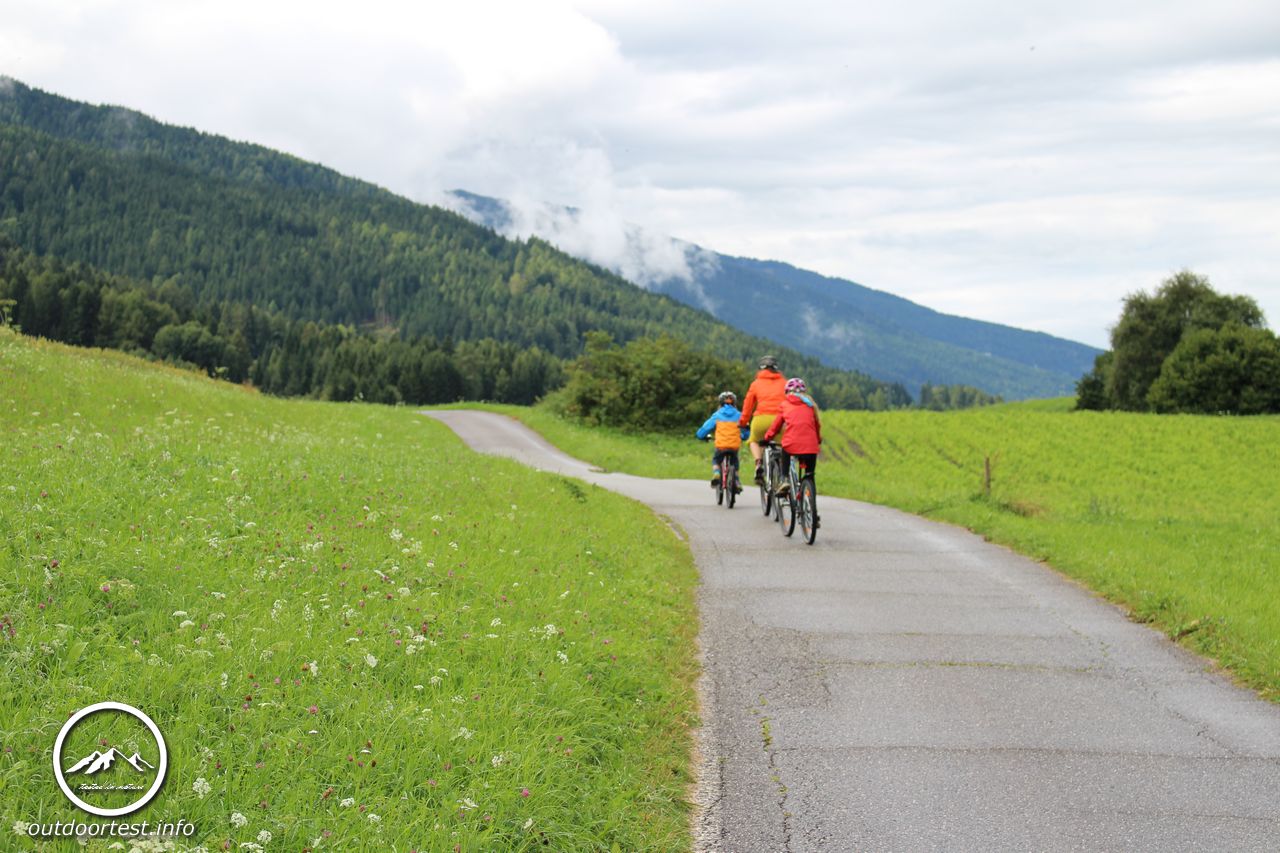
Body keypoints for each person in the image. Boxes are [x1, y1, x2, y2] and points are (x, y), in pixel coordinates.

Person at [763, 378, 821, 509]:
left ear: (787, 392)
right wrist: (818, 440)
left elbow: (776, 425)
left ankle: (784, 479)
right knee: (810, 476)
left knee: (785, 450)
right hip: (811, 447)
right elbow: (817, 426)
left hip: (791, 445)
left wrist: (767, 437)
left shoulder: (785, 405)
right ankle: (813, 509)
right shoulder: (811, 406)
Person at [738, 355, 787, 484]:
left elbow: (748, 406)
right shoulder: (784, 383)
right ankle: (784, 475)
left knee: (753, 440)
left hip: (761, 420)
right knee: (783, 445)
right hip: (780, 420)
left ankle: (758, 463)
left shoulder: (755, 384)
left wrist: (743, 422)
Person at [696, 391, 749, 491]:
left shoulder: (717, 415)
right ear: (735, 403)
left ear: (720, 403)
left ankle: (716, 473)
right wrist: (742, 436)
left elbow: (703, 430)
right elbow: (746, 433)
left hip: (721, 446)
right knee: (735, 461)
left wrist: (701, 436)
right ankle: (736, 480)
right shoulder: (739, 415)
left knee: (716, 460)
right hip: (734, 446)